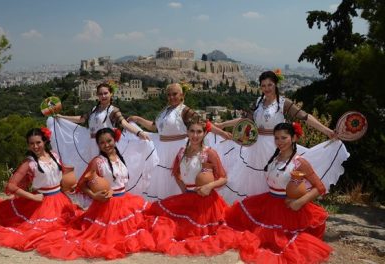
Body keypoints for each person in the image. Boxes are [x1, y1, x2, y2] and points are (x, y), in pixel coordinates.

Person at [214, 70, 349, 203]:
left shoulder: (284, 103)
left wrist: (327, 131)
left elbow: (305, 117)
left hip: (277, 145)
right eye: (263, 85)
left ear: (275, 85)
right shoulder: (258, 102)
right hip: (255, 147)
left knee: (277, 177)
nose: (266, 88)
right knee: (253, 179)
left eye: (269, 85)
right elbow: (245, 121)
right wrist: (222, 125)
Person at [143, 117, 259, 257]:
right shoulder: (181, 152)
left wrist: (209, 186)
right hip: (188, 198)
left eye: (199, 132)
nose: (195, 135)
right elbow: (177, 173)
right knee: (157, 215)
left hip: (206, 202)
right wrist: (185, 191)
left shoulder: (209, 153)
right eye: (192, 131)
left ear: (204, 133)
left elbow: (223, 178)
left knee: (197, 232)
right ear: (187, 132)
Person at [35, 128, 155, 260]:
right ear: (98, 145)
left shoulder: (119, 157)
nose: (106, 145)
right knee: (108, 237)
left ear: (115, 140)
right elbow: (82, 184)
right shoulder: (97, 162)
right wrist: (94, 196)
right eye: (102, 143)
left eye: (109, 141)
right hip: (107, 205)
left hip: (125, 202)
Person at [225, 123, 332, 263]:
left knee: (280, 244)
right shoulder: (275, 158)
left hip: (287, 209)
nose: (279, 142)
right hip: (269, 203)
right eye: (276, 138)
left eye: (284, 138)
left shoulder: (299, 162)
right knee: (241, 222)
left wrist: (299, 202)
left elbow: (320, 187)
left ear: (293, 138)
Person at [0, 127, 81, 251]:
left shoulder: (55, 156)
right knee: (46, 231)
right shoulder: (29, 163)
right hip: (42, 203)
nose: (35, 146)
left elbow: (59, 177)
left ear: (45, 141)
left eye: (38, 142)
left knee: (72, 225)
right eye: (32, 144)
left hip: (60, 200)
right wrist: (33, 196)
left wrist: (69, 187)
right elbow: (11, 186)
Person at [47, 82, 158, 206]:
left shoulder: (113, 110)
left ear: (111, 94)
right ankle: (96, 198)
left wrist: (138, 132)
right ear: (97, 95)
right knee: (93, 174)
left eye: (106, 93)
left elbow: (124, 123)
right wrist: (62, 117)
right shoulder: (94, 109)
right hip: (92, 145)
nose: (103, 96)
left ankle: (111, 198)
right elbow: (81, 119)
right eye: (100, 94)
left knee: (107, 172)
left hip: (106, 145)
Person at [128, 82, 231, 200]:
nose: (171, 97)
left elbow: (204, 123)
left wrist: (222, 133)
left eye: (174, 94)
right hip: (162, 150)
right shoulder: (165, 110)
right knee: (163, 178)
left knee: (178, 176)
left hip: (177, 148)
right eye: (169, 95)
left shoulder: (185, 111)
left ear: (182, 95)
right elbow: (154, 127)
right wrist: (138, 119)